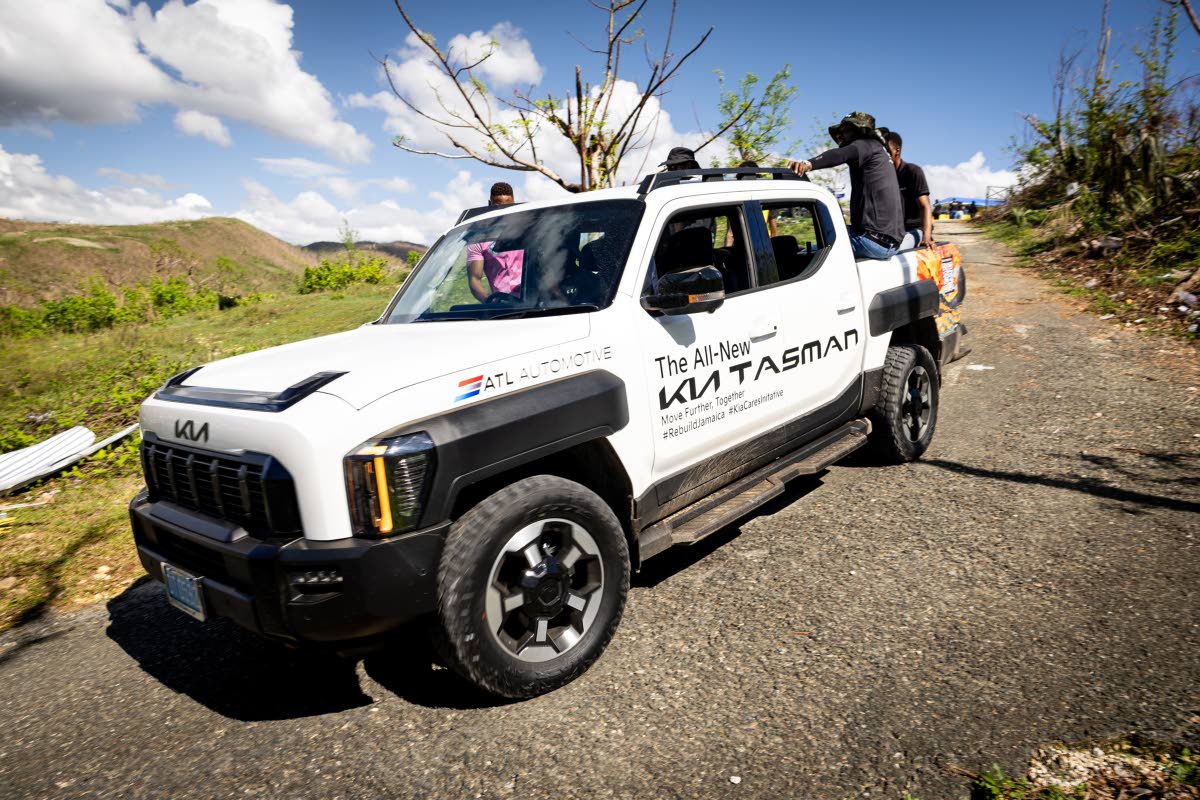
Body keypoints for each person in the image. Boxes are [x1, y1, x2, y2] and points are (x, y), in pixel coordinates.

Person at [788, 111, 904, 260]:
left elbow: (840, 154)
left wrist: (807, 164)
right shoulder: (879, 153)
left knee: (806, 255)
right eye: (839, 132)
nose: (840, 136)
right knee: (831, 230)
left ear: (859, 130)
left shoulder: (865, 144)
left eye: (845, 131)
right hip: (888, 242)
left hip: (872, 241)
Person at [467, 182, 523, 301]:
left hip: (536, 303)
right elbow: (474, 279)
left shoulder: (527, 231)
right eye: (498, 207)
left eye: (508, 208)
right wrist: (490, 302)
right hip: (501, 306)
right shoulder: (478, 239)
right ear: (489, 204)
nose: (504, 212)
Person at [883, 130, 935, 250]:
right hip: (895, 231)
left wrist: (926, 238)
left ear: (897, 150)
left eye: (887, 151)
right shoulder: (883, 176)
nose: (883, 155)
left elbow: (925, 206)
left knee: (892, 248)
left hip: (915, 230)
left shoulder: (913, 172)